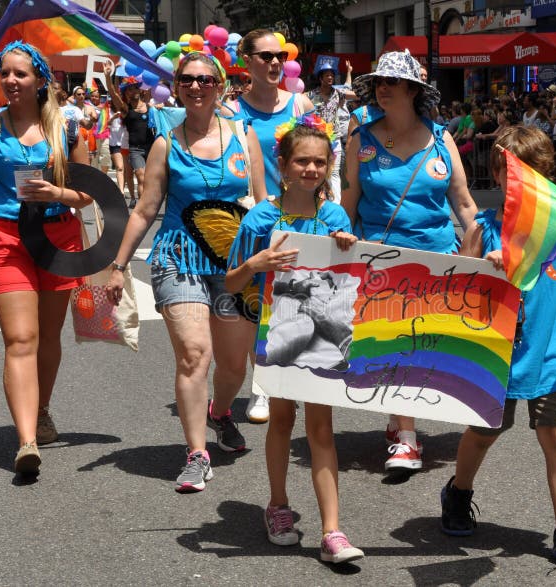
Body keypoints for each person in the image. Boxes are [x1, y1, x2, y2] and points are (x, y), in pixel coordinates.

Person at [443, 125, 556, 576]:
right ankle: (458, 492)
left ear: (543, 177)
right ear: (497, 174)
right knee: (485, 431)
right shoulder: (484, 227)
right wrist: (487, 270)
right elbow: (459, 286)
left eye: (528, 172)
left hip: (553, 346)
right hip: (497, 349)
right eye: (508, 171)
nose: (517, 181)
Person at [105, 52, 267, 492]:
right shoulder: (165, 143)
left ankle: (220, 411)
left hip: (235, 261)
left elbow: (265, 203)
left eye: (205, 80)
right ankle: (197, 452)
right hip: (178, 258)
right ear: (177, 86)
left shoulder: (243, 134)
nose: (196, 87)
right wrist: (119, 266)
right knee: (196, 354)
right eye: (187, 80)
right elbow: (145, 209)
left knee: (234, 365)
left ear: (219, 87)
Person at [224, 118, 363, 564]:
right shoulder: (261, 217)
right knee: (281, 421)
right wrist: (257, 263)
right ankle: (278, 506)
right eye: (302, 160)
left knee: (322, 428)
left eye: (320, 162)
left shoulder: (334, 216)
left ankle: (332, 531)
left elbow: (351, 275)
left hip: (325, 332)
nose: (311, 169)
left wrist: (349, 247)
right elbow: (229, 283)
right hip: (278, 332)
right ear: (282, 165)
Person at [342, 50, 478, 472]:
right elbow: (348, 203)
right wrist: (335, 252)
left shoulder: (442, 138)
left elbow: (465, 204)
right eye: (379, 82)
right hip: (379, 261)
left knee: (422, 347)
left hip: (436, 261)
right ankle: (406, 438)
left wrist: (484, 255)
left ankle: (400, 417)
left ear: (413, 90)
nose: (383, 88)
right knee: (398, 343)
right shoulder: (360, 138)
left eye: (393, 82)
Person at [0, 41, 91, 476]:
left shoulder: (67, 129)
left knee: (49, 338)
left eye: (21, 74)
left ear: (40, 80)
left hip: (58, 238)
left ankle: (43, 407)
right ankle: (27, 440)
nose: (12, 81)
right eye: (6, 74)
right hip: (6, 239)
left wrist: (59, 193)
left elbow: (89, 193)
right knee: (20, 340)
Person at [225, 28, 315, 423]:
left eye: (279, 55)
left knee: (296, 299)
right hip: (252, 218)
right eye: (265, 56)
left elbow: (319, 154)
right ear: (247, 61)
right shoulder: (231, 112)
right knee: (258, 301)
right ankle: (261, 384)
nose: (275, 62)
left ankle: (287, 374)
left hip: (299, 216)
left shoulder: (300, 105)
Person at [307, 60, 357, 203]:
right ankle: (317, 200)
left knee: (334, 173)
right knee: (319, 170)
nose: (330, 78)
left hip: (334, 140)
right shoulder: (310, 95)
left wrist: (349, 72)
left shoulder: (339, 94)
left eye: (332, 75)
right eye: (327, 75)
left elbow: (350, 89)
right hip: (316, 140)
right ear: (320, 78)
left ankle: (336, 205)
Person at [104, 66, 155, 207]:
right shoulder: (125, 109)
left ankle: (149, 204)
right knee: (141, 176)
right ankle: (142, 208)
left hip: (152, 148)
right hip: (136, 149)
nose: (134, 90)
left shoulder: (150, 106)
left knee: (151, 179)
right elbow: (113, 94)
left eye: (136, 87)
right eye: (130, 88)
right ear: (126, 93)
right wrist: (109, 76)